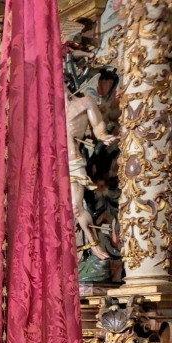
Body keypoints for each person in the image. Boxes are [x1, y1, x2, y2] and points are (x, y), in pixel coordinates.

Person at [66, 82, 118, 270]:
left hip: (73, 164)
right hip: (50, 165)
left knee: (75, 207)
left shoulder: (84, 102)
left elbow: (97, 125)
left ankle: (93, 245)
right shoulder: (45, 110)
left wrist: (103, 135)